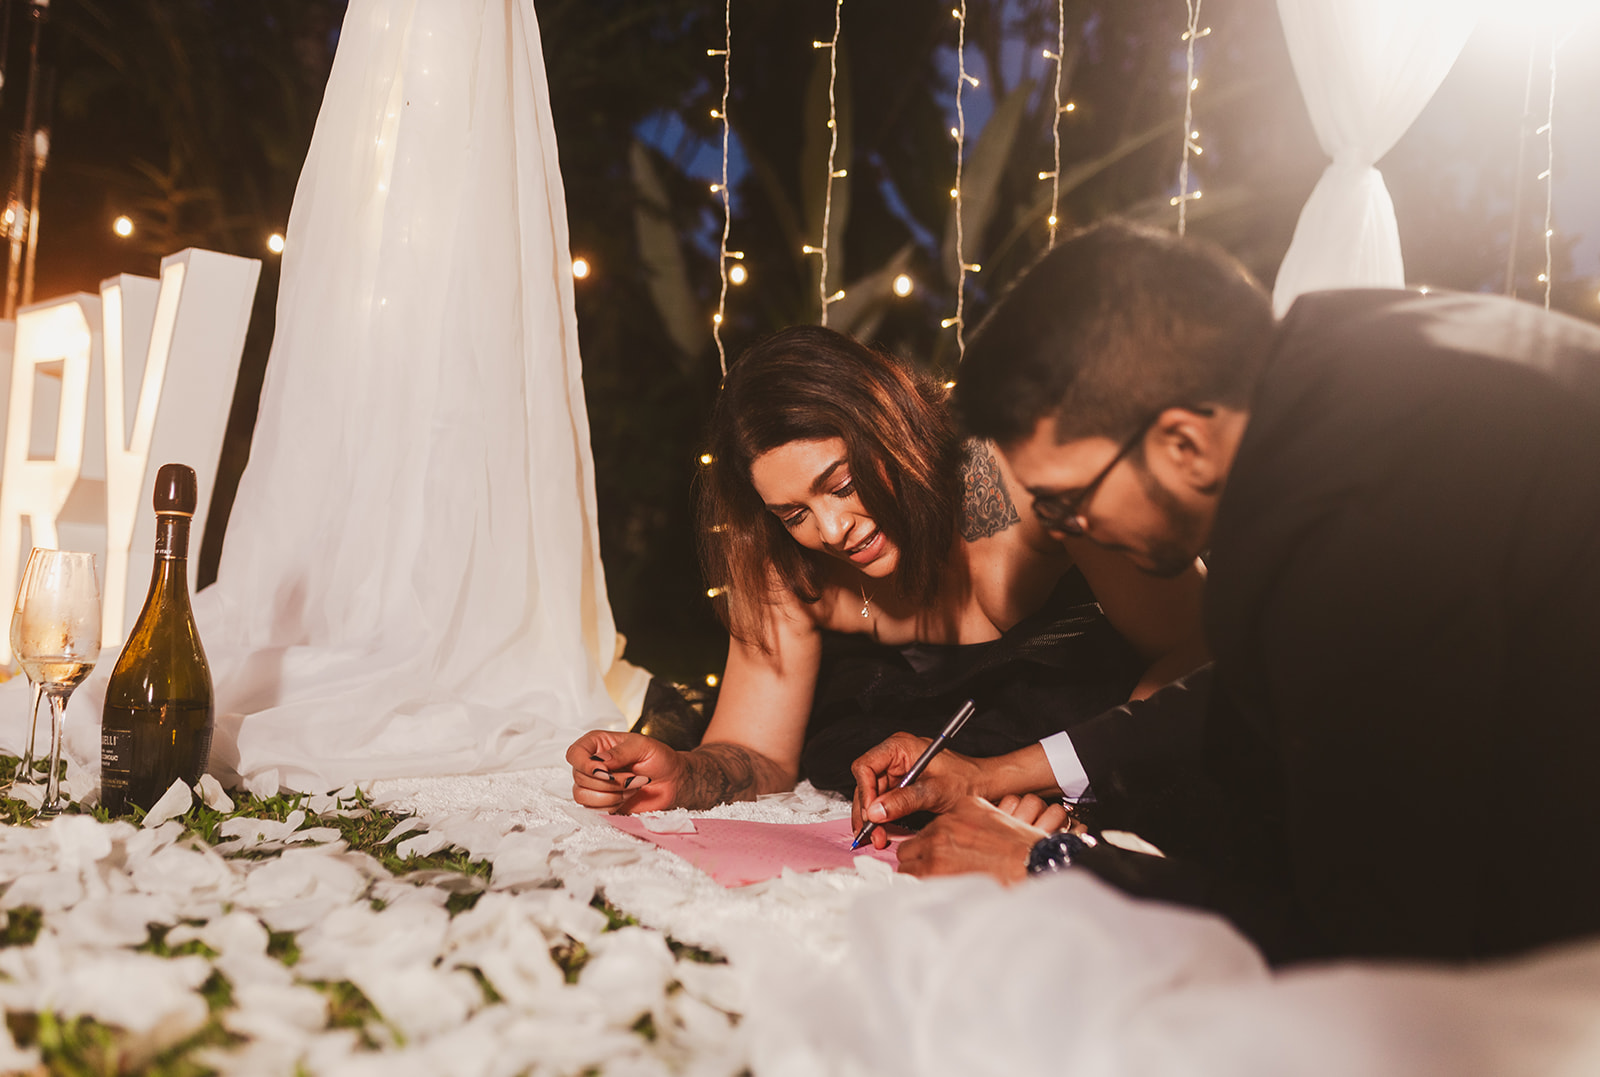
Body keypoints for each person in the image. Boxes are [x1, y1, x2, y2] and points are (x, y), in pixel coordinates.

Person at [854, 220, 1600, 965]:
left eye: (1064, 500)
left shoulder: (1362, 518)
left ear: (1183, 443)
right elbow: (1257, 677)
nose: (1068, 528)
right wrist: (992, 772)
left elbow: (1374, 934)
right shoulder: (1326, 359)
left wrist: (1049, 864)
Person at [566, 325, 1208, 813]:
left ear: (889, 422)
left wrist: (1078, 798)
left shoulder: (1024, 480)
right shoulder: (789, 560)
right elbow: (757, 754)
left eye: (840, 482)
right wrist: (681, 772)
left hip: (1112, 740)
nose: (831, 530)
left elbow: (1202, 653)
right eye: (795, 514)